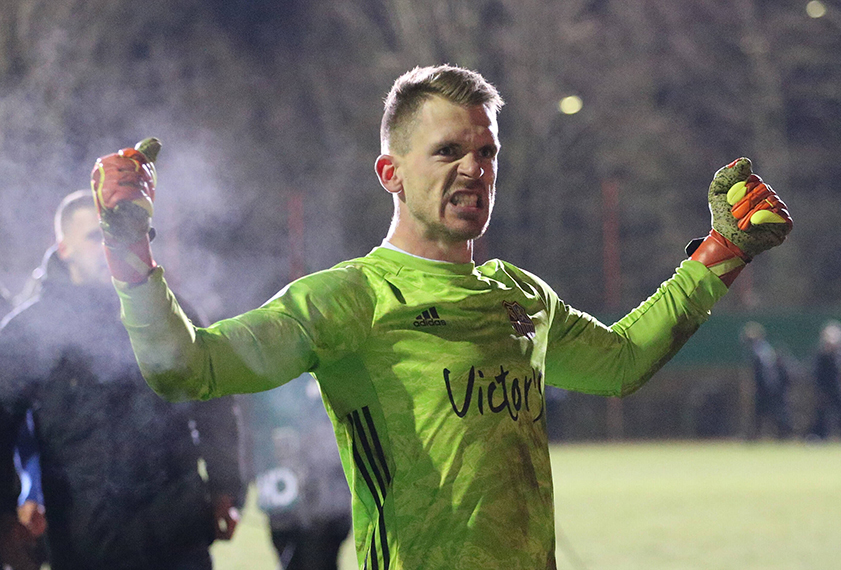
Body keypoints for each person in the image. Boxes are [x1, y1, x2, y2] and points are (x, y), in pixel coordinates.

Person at [90, 65, 793, 569]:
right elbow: (184, 367)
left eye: (486, 152)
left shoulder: (518, 294)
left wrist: (720, 253)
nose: (474, 169)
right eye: (448, 151)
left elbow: (620, 364)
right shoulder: (349, 298)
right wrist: (128, 248)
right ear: (390, 173)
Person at [0, 190, 246, 570]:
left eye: (113, 237)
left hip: (178, 537)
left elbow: (214, 397)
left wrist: (225, 488)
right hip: (86, 545)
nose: (107, 248)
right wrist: (4, 517)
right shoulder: (32, 330)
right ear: (63, 248)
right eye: (93, 238)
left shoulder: (168, 312)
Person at [242, 376, 352, 570]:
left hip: (324, 494)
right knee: (292, 554)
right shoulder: (265, 380)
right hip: (283, 486)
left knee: (320, 555)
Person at [740, 322, 791, 440]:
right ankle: (756, 435)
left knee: (772, 412)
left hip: (767, 387)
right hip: (769, 386)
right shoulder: (763, 348)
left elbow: (766, 371)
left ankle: (782, 434)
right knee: (763, 413)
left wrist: (765, 386)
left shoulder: (760, 350)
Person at [809, 320, 841, 441]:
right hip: (824, 388)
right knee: (822, 414)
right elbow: (817, 372)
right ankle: (819, 437)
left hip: (839, 388)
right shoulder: (821, 354)